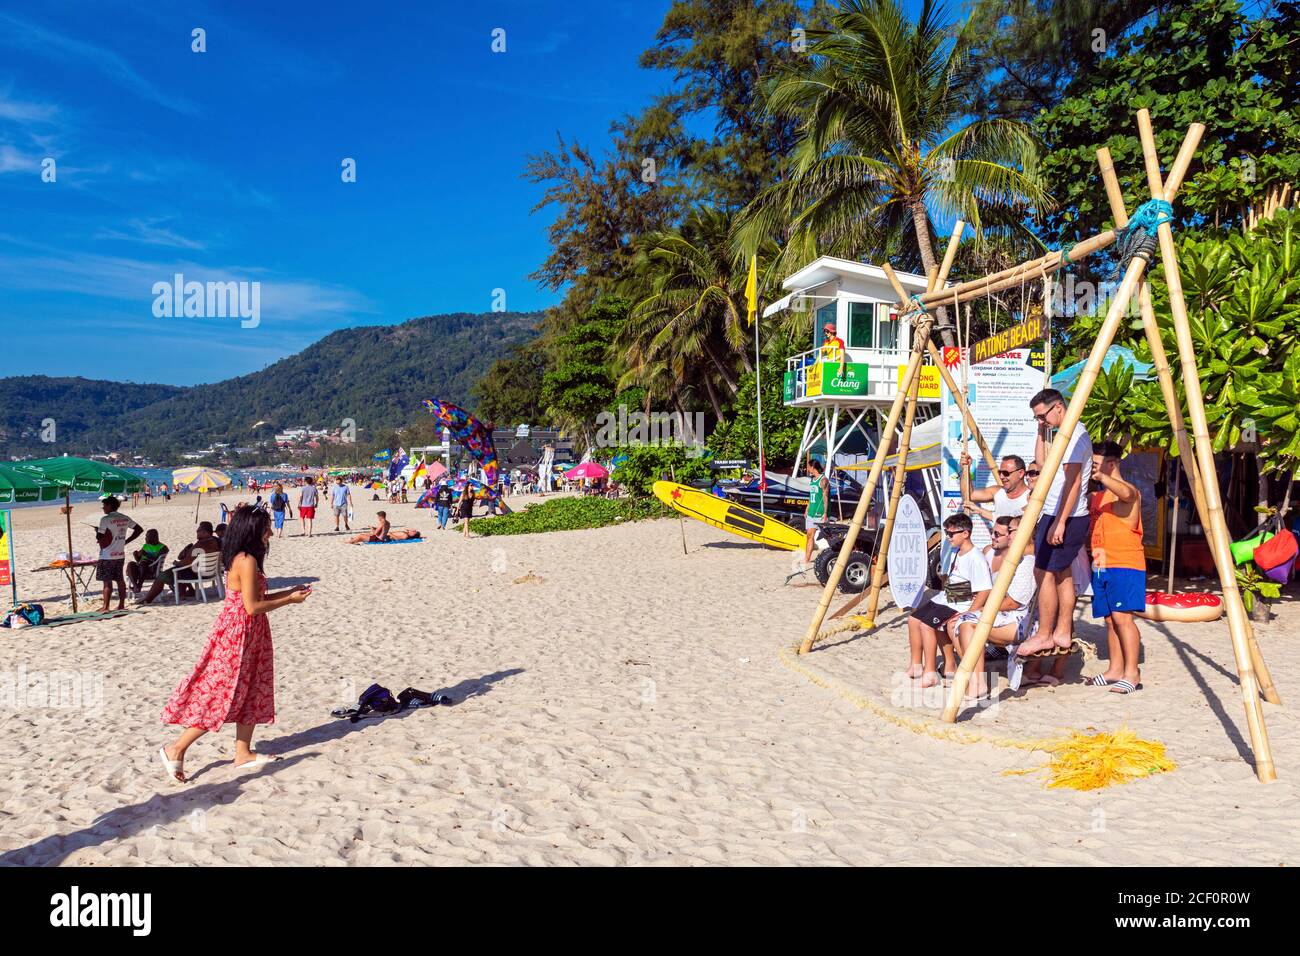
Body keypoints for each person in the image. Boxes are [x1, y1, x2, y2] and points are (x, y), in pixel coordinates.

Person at [158, 505, 311, 783]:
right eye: (266, 528)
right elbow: (252, 607)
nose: (270, 533)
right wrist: (289, 600)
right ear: (252, 530)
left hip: (250, 631)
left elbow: (256, 598)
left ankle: (243, 752)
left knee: (252, 688)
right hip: (238, 633)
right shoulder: (246, 559)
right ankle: (176, 747)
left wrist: (289, 591)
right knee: (222, 694)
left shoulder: (244, 557)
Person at [1018, 388, 1092, 657]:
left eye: (1043, 416)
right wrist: (1040, 431)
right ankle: (1060, 631)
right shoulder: (1061, 435)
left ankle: (1047, 633)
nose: (1042, 421)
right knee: (1060, 575)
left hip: (1068, 515)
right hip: (1055, 511)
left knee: (1045, 572)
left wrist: (1059, 522)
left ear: (1058, 407)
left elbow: (1073, 484)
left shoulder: (1076, 437)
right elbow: (1042, 463)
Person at [951, 516, 1037, 698]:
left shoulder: (1028, 562)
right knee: (957, 621)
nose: (1009, 535)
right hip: (1008, 613)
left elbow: (1014, 602)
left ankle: (977, 681)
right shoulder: (1015, 558)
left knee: (968, 624)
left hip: (1021, 622)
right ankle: (970, 675)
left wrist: (984, 609)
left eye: (1011, 531)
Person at [1085, 441, 1145, 693]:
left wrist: (1101, 476)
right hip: (1101, 562)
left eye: (1096, 465)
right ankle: (1115, 668)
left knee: (1123, 618)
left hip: (1125, 563)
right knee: (1109, 620)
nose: (1093, 471)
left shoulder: (1128, 490)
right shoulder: (1097, 496)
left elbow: (1127, 494)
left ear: (1112, 464)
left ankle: (1132, 673)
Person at [906, 513, 992, 687]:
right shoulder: (955, 551)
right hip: (947, 598)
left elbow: (984, 589)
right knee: (913, 619)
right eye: (946, 533)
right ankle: (916, 664)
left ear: (965, 533)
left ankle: (930, 670)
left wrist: (970, 613)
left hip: (960, 602)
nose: (948, 537)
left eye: (951, 534)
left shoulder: (976, 558)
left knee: (927, 625)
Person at [138, 521, 223, 605]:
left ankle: (147, 600)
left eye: (198, 531)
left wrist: (177, 563)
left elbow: (186, 562)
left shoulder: (199, 545)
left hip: (199, 574)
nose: (197, 533)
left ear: (204, 532)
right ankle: (186, 592)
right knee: (182, 570)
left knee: (163, 576)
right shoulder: (216, 541)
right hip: (212, 572)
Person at [95, 496, 142, 613]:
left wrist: (97, 531)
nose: (103, 508)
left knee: (107, 581)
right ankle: (121, 604)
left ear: (110, 506)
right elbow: (139, 529)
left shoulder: (105, 519)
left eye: (104, 506)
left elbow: (100, 537)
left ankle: (105, 607)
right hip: (120, 554)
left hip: (107, 555)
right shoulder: (124, 518)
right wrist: (126, 541)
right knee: (120, 580)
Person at [960, 451, 1029, 523]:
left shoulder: (1032, 496)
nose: (1001, 477)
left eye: (1006, 473)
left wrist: (981, 511)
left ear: (1021, 473)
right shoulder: (997, 491)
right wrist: (965, 469)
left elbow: (1012, 521)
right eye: (1000, 473)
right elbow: (969, 495)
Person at [126, 529, 169, 594]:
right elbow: (139, 561)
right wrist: (136, 555)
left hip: (152, 570)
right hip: (142, 569)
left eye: (147, 537)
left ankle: (139, 585)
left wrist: (146, 554)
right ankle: (136, 586)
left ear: (154, 537)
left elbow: (157, 560)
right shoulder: (146, 545)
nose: (145, 538)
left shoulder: (163, 547)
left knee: (143, 563)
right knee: (131, 564)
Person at [804, 458, 829, 564]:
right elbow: (811, 496)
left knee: (828, 536)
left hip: (819, 513)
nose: (808, 469)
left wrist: (825, 513)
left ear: (813, 467)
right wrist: (807, 508)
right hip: (811, 512)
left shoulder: (823, 480)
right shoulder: (812, 480)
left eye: (809, 467)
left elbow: (825, 497)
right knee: (809, 535)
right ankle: (807, 559)